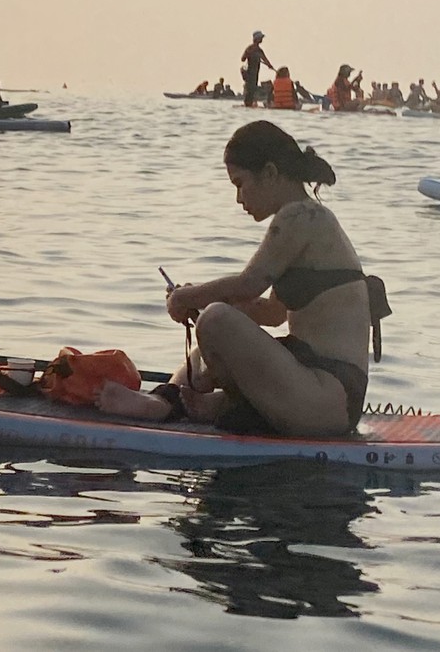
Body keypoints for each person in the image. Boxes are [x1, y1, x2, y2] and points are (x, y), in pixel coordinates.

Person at [96, 121, 385, 438]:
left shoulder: (300, 216)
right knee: (213, 324)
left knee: (216, 318)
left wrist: (188, 299)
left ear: (271, 173)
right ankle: (166, 399)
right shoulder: (305, 220)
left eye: (240, 183)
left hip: (327, 398)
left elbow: (249, 284)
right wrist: (203, 312)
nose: (238, 198)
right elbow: (273, 315)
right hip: (322, 396)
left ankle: (197, 404)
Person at [240, 30, 274, 107]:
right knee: (251, 89)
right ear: (257, 39)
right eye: (261, 38)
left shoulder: (254, 49)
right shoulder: (255, 49)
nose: (262, 39)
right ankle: (248, 104)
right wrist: (269, 65)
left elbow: (265, 60)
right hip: (251, 72)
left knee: (251, 89)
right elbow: (243, 59)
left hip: (254, 72)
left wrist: (269, 65)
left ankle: (249, 103)